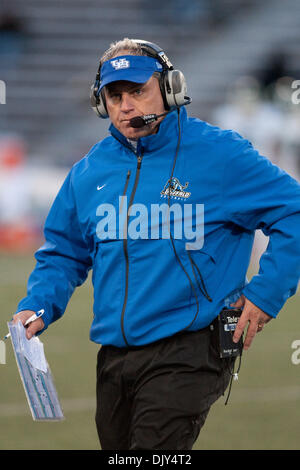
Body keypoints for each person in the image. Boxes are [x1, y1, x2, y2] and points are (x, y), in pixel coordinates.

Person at [13, 38, 300, 450]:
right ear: (101, 104)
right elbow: (64, 252)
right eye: (114, 95)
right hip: (115, 351)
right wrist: (38, 304)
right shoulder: (87, 172)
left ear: (170, 88)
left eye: (137, 91)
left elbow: (293, 210)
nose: (126, 105)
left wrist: (266, 293)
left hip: (192, 346)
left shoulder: (220, 154)